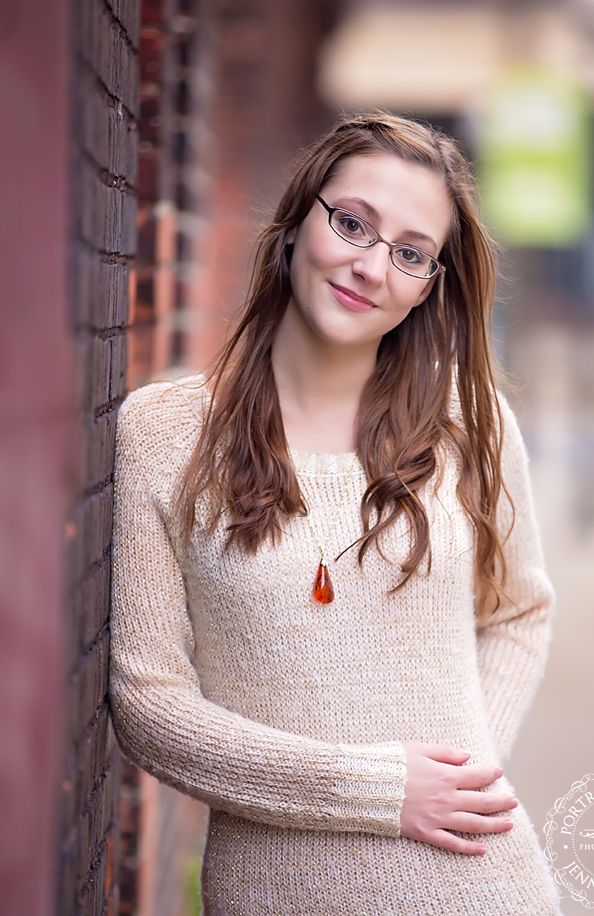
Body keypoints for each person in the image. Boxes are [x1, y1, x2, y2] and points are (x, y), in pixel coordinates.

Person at [110, 112, 560, 915]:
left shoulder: (467, 420)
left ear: (430, 287)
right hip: (275, 892)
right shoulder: (163, 434)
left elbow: (521, 609)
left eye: (411, 253)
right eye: (352, 223)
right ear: (295, 223)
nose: (370, 266)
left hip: (480, 885)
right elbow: (149, 705)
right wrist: (384, 790)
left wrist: (467, 769)